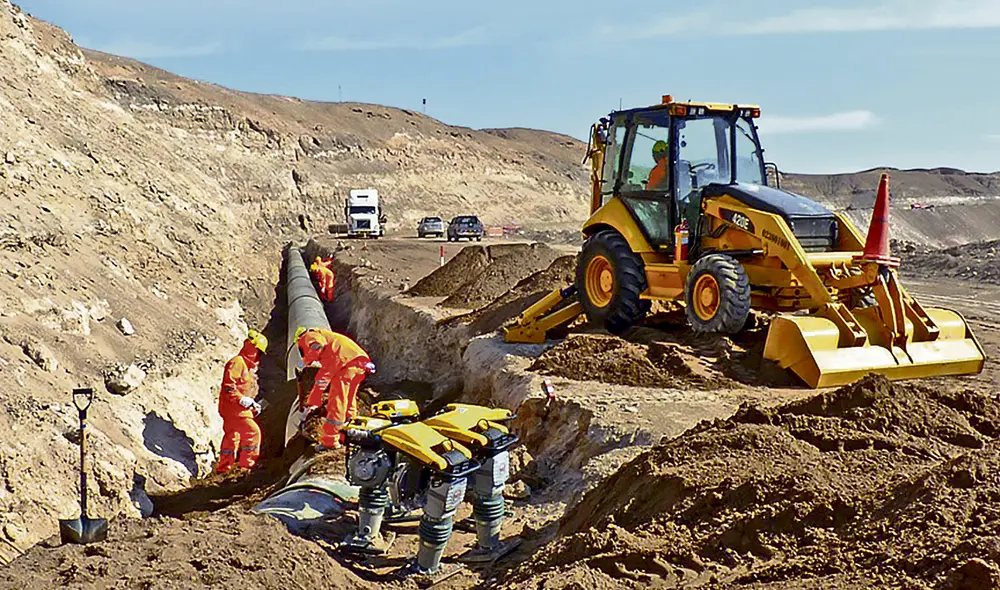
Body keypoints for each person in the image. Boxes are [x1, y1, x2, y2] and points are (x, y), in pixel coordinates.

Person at [295, 327, 375, 451]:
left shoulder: (308, 336)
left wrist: (311, 402)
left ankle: (330, 441)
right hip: (359, 365)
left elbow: (317, 345)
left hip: (345, 364)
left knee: (337, 402)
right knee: (349, 401)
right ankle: (349, 434)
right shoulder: (329, 342)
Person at [215, 328, 268, 474]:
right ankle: (247, 466)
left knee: (232, 436)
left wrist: (250, 404)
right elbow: (229, 387)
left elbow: (242, 389)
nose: (260, 357)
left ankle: (224, 468)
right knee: (253, 432)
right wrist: (242, 400)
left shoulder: (245, 366)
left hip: (233, 408)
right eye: (260, 353)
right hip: (234, 409)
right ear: (254, 349)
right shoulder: (237, 363)